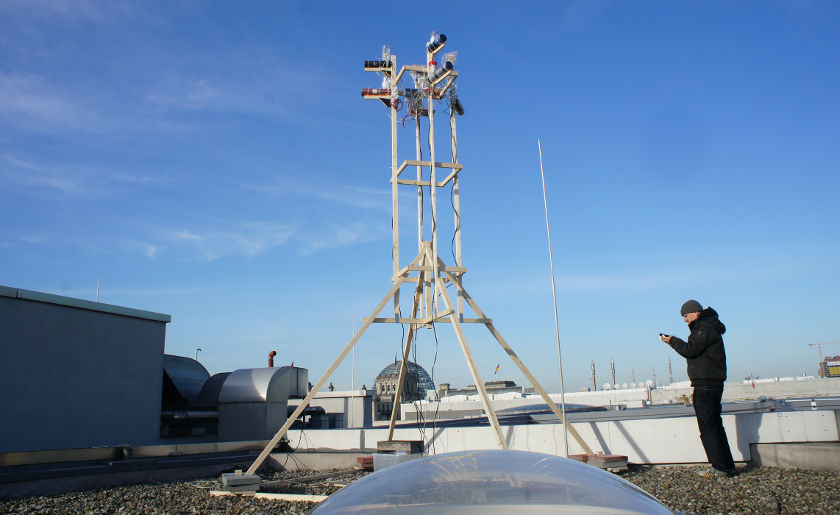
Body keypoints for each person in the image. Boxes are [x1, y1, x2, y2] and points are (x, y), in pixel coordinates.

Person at [660, 299, 736, 477]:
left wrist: (672, 341)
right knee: (715, 425)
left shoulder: (704, 329)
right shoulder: (709, 327)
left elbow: (690, 350)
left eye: (686, 316)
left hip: (706, 384)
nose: (685, 320)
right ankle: (726, 466)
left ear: (696, 313)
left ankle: (720, 467)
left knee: (708, 427)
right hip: (712, 383)